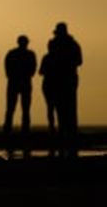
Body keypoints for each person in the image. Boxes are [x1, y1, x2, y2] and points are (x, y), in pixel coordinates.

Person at [46, 22, 82, 155]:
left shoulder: (57, 44)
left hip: (63, 79)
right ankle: (68, 133)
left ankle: (65, 134)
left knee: (64, 107)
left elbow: (78, 61)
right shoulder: (72, 44)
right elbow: (79, 61)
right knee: (67, 107)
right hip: (65, 79)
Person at [3, 35, 37, 134]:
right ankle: (23, 128)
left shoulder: (12, 53)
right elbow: (33, 69)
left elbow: (7, 67)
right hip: (22, 82)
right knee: (22, 107)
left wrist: (12, 76)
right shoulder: (30, 54)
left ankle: (9, 127)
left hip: (16, 82)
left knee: (15, 107)